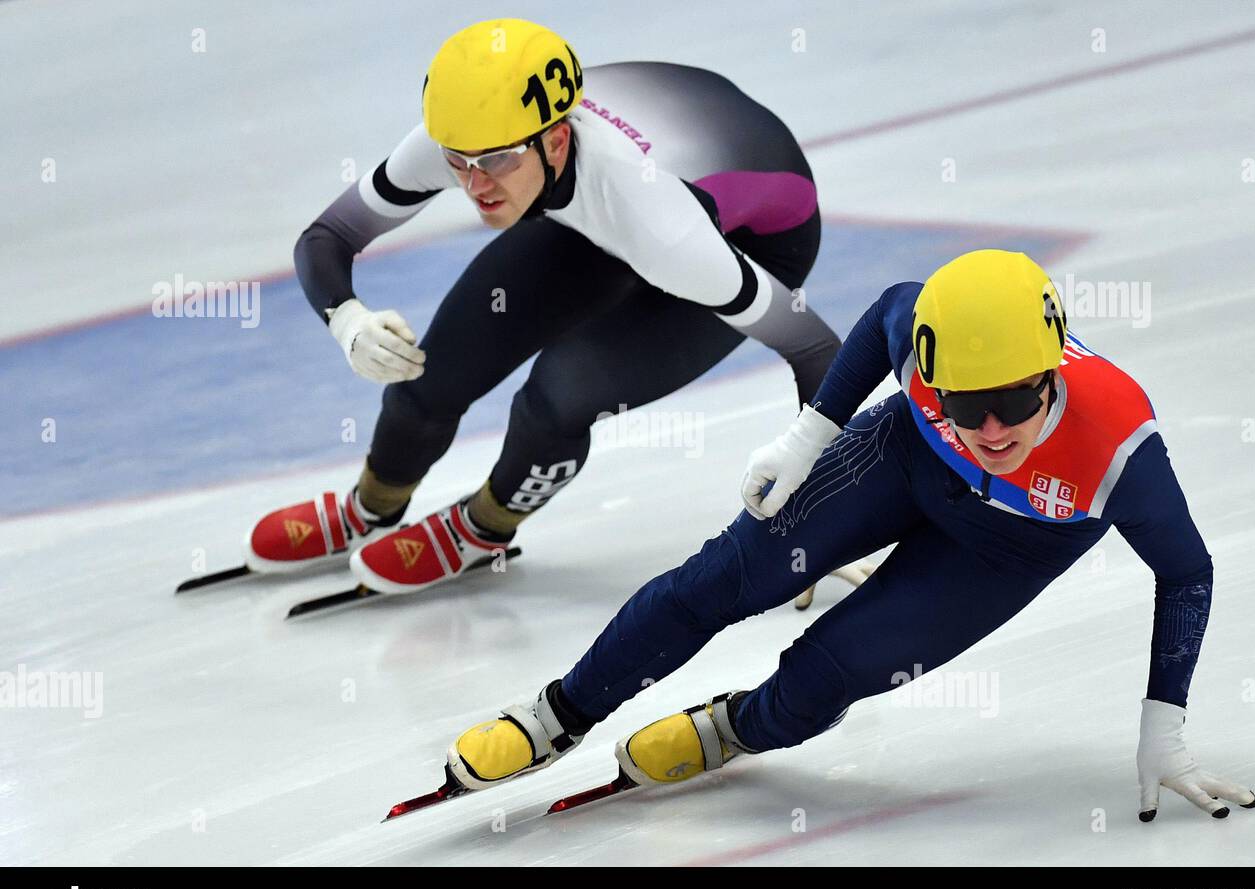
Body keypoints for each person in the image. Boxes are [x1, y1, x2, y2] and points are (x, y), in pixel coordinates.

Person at [440, 249, 1255, 824]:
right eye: (966, 404)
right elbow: (885, 309)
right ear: (933, 375)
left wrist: (1163, 727)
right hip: (901, 456)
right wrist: (807, 438)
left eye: (1014, 401)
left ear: (1052, 375)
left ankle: (735, 727)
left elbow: (1187, 573)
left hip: (1007, 550)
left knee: (830, 673)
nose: (992, 430)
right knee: (724, 578)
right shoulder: (919, 337)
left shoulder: (1118, 449)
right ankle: (558, 713)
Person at [239, 18, 843, 596]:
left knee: (558, 396)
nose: (475, 185)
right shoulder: (473, 135)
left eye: (495, 161)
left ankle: (484, 528)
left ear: (556, 140)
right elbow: (328, 237)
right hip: (616, 194)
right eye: (458, 162)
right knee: (433, 369)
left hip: (747, 239)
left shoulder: (661, 228)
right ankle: (370, 506)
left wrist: (823, 509)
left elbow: (814, 346)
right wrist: (347, 319)